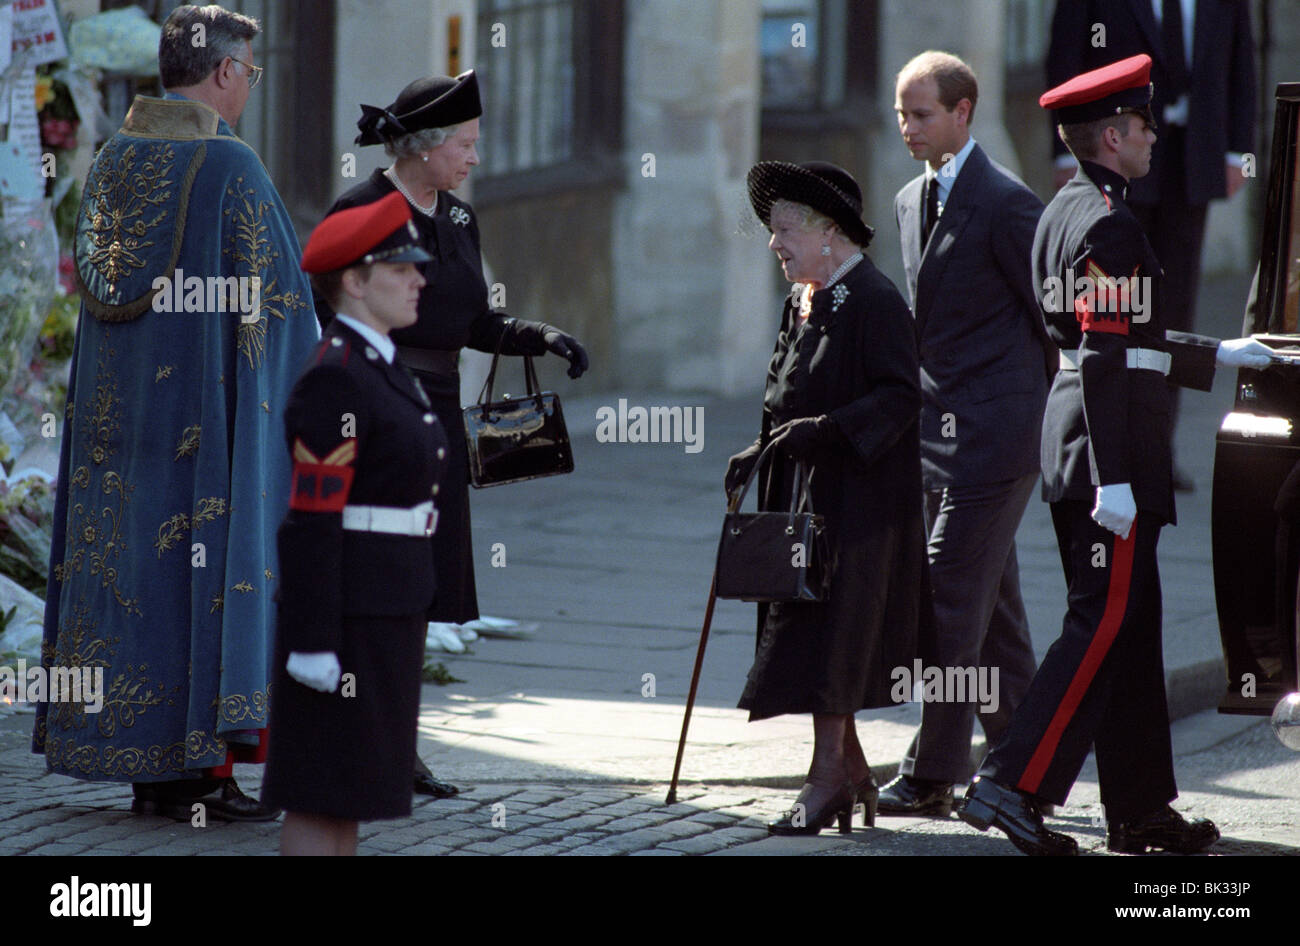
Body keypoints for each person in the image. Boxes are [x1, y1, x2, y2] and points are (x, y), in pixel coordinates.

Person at [957, 54, 1274, 856]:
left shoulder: (1068, 208)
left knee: (1131, 630)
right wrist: (1119, 478)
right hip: (1108, 456)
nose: (1154, 139)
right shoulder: (1109, 226)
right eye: (1142, 127)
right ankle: (1011, 782)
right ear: (1111, 133)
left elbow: (1123, 341)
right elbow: (1102, 356)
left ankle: (1138, 810)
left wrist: (1219, 355)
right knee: (1100, 627)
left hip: (1083, 445)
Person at [31, 5, 318, 820]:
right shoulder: (231, 169)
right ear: (226, 72)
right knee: (197, 577)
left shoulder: (115, 161)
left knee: (132, 576)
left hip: (116, 431)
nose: (249, 88)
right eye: (250, 73)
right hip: (203, 430)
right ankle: (203, 771)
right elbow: (282, 309)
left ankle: (149, 769)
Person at [319, 71, 590, 799]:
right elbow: (335, 317)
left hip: (438, 406)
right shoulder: (364, 209)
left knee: (422, 585)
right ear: (425, 147)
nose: (474, 158)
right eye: (465, 145)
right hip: (379, 406)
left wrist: (538, 336)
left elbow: (472, 321)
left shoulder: (461, 218)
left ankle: (401, 747)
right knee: (376, 577)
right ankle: (355, 739)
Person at [729, 160, 931, 835]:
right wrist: (761, 451)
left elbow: (903, 396)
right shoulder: (804, 298)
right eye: (771, 229)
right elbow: (787, 389)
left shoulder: (872, 300)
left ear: (830, 233)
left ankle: (826, 782)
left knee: (834, 643)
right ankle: (852, 775)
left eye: (784, 229)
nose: (773, 243)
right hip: (805, 498)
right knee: (806, 634)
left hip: (859, 507)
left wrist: (832, 430)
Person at [879, 51, 1049, 817]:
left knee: (946, 604)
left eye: (921, 114)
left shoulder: (1010, 205)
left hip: (998, 440)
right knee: (995, 617)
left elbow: (1055, 323)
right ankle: (1030, 760)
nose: (908, 128)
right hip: (936, 443)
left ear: (963, 112)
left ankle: (933, 772)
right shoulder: (909, 202)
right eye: (901, 114)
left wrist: (1030, 418)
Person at [262, 192, 446, 856]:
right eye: (401, 269)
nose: (419, 279)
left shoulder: (377, 364)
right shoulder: (337, 378)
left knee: (354, 794)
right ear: (356, 281)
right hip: (345, 616)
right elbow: (312, 515)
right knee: (321, 792)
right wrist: (312, 641)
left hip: (384, 605)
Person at [1047, 0, 1257, 490]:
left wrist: (1239, 156)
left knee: (1174, 303)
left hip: (1194, 157)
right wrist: (1065, 153)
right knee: (1118, 306)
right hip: (1122, 155)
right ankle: (1108, 446)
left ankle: (1158, 447)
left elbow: (1241, 65)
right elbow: (1066, 56)